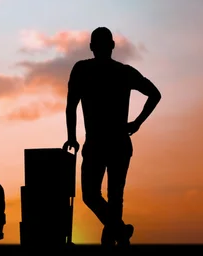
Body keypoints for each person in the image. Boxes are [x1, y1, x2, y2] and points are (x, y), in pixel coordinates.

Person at [63, 27, 162, 247]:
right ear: (112, 46)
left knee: (92, 195)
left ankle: (114, 238)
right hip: (117, 143)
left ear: (91, 47)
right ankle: (119, 232)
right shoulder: (124, 72)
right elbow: (155, 94)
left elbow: (71, 107)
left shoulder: (82, 69)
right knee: (113, 197)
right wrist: (137, 123)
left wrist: (72, 137)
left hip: (98, 142)